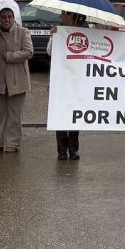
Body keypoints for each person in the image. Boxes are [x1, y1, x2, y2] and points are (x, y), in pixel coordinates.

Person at [0, 7, 33, 153]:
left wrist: (9, 56)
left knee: (14, 114)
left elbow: (28, 52)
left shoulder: (23, 32)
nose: (6, 20)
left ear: (13, 18)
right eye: (3, 17)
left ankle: (12, 143)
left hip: (17, 79)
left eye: (9, 17)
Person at [53, 11, 86, 160]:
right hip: (60, 80)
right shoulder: (58, 31)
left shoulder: (85, 33)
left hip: (77, 81)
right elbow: (49, 52)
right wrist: (53, 37)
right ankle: (61, 150)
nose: (60, 17)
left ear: (71, 16)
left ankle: (73, 149)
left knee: (75, 115)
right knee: (60, 114)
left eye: (63, 14)